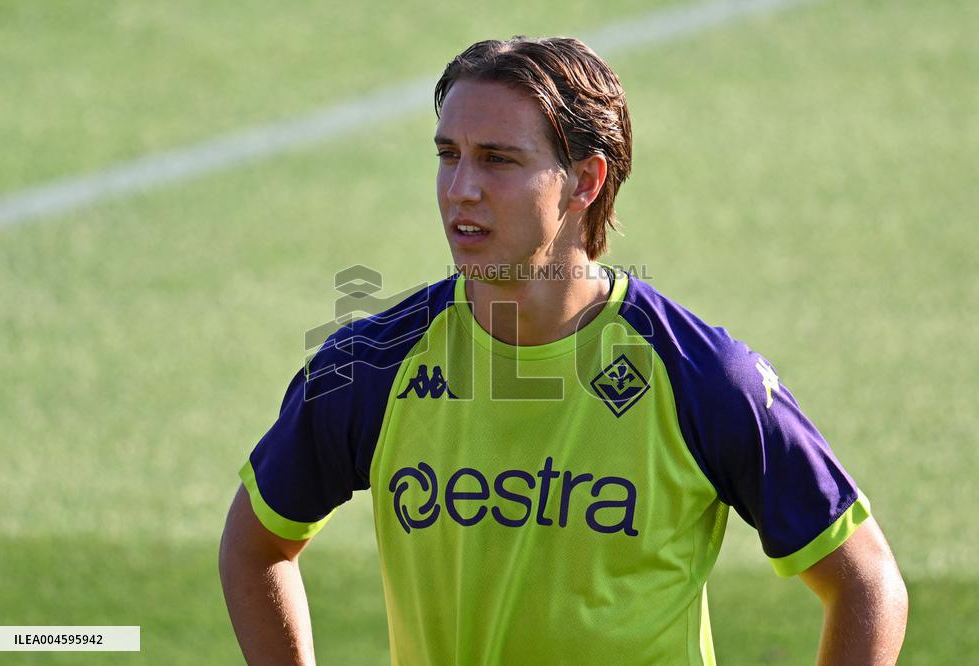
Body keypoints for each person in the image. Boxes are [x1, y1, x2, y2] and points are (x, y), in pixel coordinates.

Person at [219, 37, 908, 665]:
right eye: (447, 154)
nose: (461, 188)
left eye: (498, 159)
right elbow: (256, 546)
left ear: (585, 182)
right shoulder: (370, 368)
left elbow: (866, 582)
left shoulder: (700, 378)